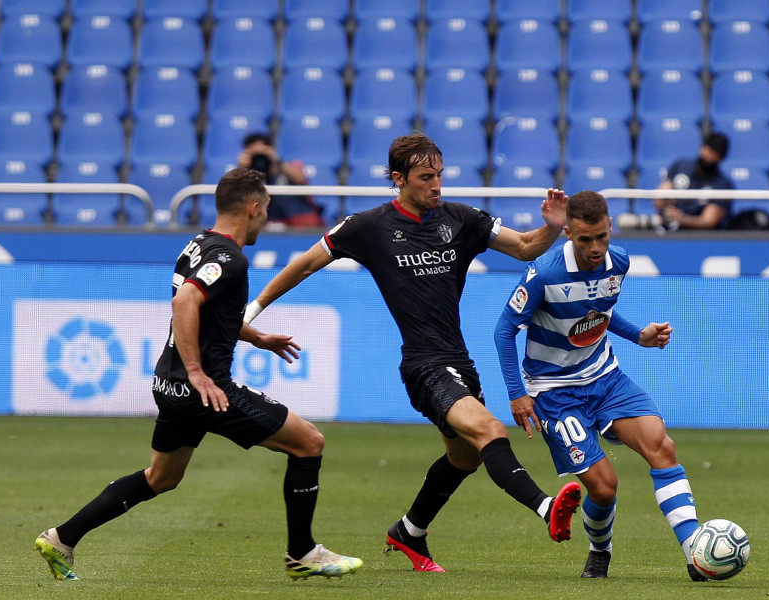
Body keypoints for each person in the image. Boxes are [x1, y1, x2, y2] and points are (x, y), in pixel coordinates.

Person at [243, 133, 582, 573]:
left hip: (458, 362)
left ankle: (409, 531)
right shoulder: (367, 226)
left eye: (440, 174)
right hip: (423, 365)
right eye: (426, 177)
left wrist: (553, 226)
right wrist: (254, 309)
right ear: (399, 179)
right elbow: (305, 263)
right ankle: (546, 507)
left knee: (465, 456)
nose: (436, 184)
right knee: (490, 431)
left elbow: (524, 247)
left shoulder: (462, 218)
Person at [34, 168, 362, 582]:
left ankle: (61, 537)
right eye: (266, 211)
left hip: (169, 384)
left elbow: (206, 310)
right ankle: (302, 553)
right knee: (309, 443)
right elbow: (186, 302)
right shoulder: (231, 257)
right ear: (253, 208)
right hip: (203, 388)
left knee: (162, 477)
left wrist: (255, 337)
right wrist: (198, 373)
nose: (266, 219)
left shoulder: (197, 245)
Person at [494, 190, 706, 582]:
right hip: (554, 393)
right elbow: (504, 331)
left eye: (601, 237)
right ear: (568, 233)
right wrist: (516, 392)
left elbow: (600, 311)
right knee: (604, 488)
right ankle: (600, 548)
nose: (595, 247)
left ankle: (696, 550)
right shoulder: (544, 274)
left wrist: (638, 335)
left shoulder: (619, 261)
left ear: (610, 226)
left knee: (662, 445)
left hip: (605, 378)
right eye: (584, 239)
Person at [237, 132, 326, 228]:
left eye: (262, 152)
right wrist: (242, 168)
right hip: (266, 224)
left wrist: (276, 160)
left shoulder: (291, 165)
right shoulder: (249, 175)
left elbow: (301, 180)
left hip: (300, 222)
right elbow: (237, 197)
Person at [654, 132, 734, 230]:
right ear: (702, 147)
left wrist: (681, 219)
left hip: (701, 237)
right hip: (670, 229)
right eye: (708, 150)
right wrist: (664, 204)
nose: (709, 157)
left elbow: (708, 221)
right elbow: (660, 197)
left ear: (721, 158)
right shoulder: (680, 166)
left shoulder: (723, 185)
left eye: (714, 154)